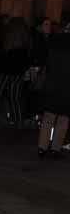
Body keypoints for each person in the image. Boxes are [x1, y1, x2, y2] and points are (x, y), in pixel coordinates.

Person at [0, 16, 32, 129]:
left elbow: (0, 57)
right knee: (14, 97)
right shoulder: (25, 40)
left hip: (5, 71)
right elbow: (27, 58)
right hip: (18, 72)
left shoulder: (7, 39)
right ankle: (18, 121)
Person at [37, 24, 70, 157]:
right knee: (63, 118)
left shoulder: (55, 41)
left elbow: (47, 62)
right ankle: (55, 147)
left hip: (53, 83)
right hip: (67, 86)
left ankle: (42, 146)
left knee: (48, 117)